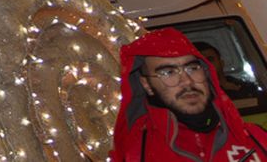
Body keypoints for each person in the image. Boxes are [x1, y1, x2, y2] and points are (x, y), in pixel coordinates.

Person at [113, 26, 267, 160]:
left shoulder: (254, 138)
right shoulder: (136, 153)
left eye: (192, 68)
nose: (187, 81)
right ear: (146, 84)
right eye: (168, 72)